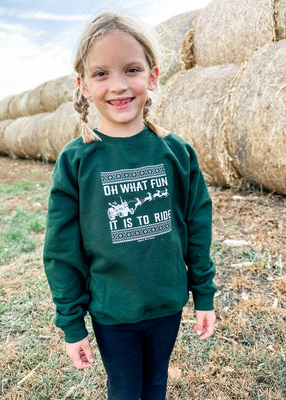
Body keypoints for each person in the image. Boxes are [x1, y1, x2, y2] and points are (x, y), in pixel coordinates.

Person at [43, 11, 217, 400]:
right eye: (101, 73)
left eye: (131, 69)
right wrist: (72, 324)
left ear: (152, 76)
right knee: (124, 390)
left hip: (167, 304)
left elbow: (197, 223)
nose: (118, 85)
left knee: (156, 385)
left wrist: (203, 293)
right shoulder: (77, 161)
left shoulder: (177, 152)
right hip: (113, 311)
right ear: (83, 85)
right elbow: (61, 250)